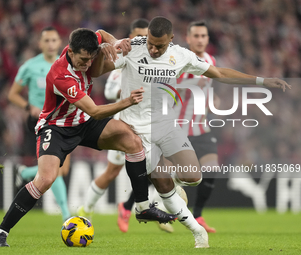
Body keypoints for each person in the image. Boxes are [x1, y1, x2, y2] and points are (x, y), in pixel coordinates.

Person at [98, 16, 291, 248]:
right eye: (150, 42)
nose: (153, 48)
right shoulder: (133, 48)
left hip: (167, 125)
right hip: (135, 133)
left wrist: (261, 81)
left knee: (194, 177)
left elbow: (219, 74)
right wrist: (106, 45)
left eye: (159, 45)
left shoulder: (181, 55)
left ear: (171, 39)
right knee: (164, 185)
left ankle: (173, 188)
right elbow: (99, 62)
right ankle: (197, 232)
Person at [0, 28, 176, 248]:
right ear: (71, 51)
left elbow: (101, 33)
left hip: (82, 122)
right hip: (57, 128)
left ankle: (143, 207)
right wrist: (126, 102)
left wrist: (114, 43)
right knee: (46, 180)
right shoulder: (60, 75)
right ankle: (0, 233)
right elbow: (95, 111)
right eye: (83, 60)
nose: (87, 64)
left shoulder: (86, 44)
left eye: (90, 59)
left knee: (132, 141)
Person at [77, 19, 184, 234]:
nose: (143, 41)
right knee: (111, 172)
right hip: (123, 125)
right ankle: (85, 210)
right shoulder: (123, 59)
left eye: (146, 37)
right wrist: (130, 92)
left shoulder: (156, 62)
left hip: (147, 126)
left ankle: (136, 208)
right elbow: (108, 92)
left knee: (156, 168)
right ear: (130, 37)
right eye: (138, 36)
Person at [7, 26, 71, 222]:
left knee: (62, 169)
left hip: (62, 119)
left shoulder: (67, 65)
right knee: (57, 168)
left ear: (59, 43)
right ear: (40, 44)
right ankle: (66, 215)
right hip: (41, 120)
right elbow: (12, 94)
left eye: (54, 40)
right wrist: (29, 107)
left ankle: (25, 172)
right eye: (47, 41)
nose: (51, 44)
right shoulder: (30, 66)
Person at [175, 20, 219, 233]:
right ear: (188, 38)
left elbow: (208, 89)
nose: (200, 40)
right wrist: (192, 85)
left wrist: (213, 100)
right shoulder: (180, 60)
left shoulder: (211, 60)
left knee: (211, 169)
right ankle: (134, 205)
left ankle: (198, 214)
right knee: (164, 174)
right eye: (196, 36)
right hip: (179, 127)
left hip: (201, 127)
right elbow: (168, 87)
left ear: (207, 39)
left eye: (204, 36)